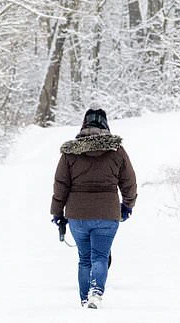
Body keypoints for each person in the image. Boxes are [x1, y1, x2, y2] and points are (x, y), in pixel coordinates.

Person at [50, 108, 137, 309]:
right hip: (108, 213)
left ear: (84, 124)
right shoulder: (117, 150)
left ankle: (83, 300)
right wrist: (128, 204)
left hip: (77, 215)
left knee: (85, 258)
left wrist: (57, 212)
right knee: (100, 256)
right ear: (106, 125)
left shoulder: (70, 152)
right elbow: (129, 182)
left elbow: (60, 184)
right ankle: (96, 292)